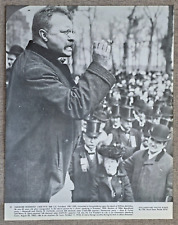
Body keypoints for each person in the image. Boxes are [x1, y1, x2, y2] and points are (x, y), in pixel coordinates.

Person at [5, 6, 116, 203]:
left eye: (72, 31)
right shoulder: (33, 67)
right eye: (65, 32)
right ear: (43, 35)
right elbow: (76, 105)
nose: (72, 37)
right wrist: (99, 67)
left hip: (44, 169)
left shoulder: (44, 62)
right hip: (32, 177)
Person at [124, 124, 173, 202]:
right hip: (133, 204)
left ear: (164, 144)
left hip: (153, 208)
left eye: (158, 142)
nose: (153, 144)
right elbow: (124, 169)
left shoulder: (170, 163)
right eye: (152, 139)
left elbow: (170, 191)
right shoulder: (138, 155)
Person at [69, 119, 107, 202]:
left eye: (95, 138)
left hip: (98, 197)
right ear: (84, 136)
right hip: (80, 196)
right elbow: (71, 174)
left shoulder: (103, 154)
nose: (92, 141)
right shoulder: (75, 153)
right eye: (90, 137)